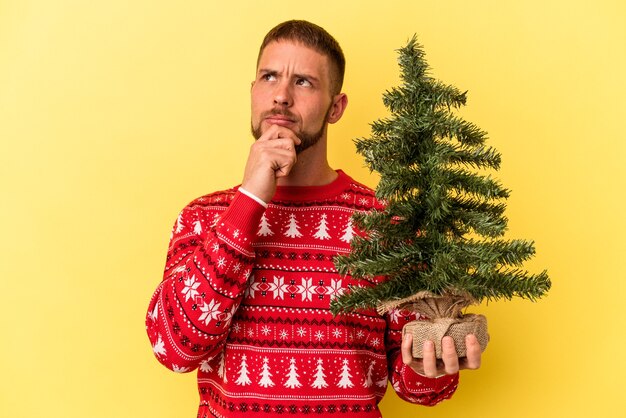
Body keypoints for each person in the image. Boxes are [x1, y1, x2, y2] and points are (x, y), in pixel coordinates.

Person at [145, 20, 481, 418]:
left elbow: (414, 386)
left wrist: (435, 368)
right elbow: (175, 348)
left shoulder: (384, 224)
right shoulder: (204, 217)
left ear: (335, 108)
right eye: (269, 77)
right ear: (253, 92)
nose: (282, 96)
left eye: (303, 82)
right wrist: (250, 201)